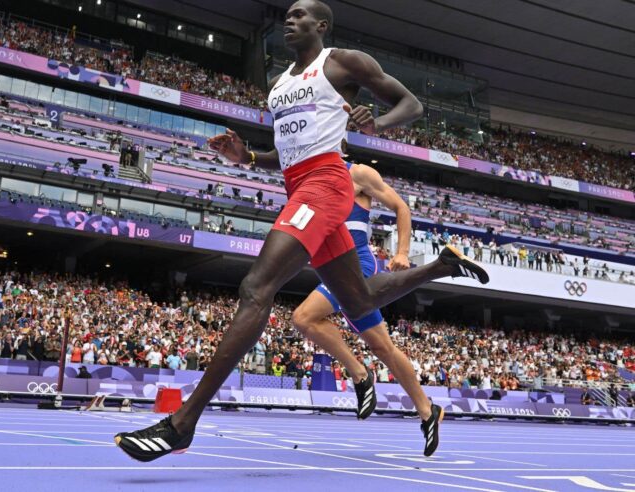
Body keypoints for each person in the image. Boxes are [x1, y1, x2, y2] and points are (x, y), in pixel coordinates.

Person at [114, 0, 488, 462]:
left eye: (298, 15)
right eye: (286, 16)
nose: (288, 21)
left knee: (257, 286)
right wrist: (246, 157)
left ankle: (183, 423)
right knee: (361, 301)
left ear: (321, 25)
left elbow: (412, 103)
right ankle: (443, 266)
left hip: (326, 186)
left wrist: (377, 123)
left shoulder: (342, 62)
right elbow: (285, 153)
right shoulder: (278, 86)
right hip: (301, 186)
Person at [291, 156, 443, 456]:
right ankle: (428, 411)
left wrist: (401, 252)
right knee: (383, 348)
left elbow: (401, 207)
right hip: (331, 269)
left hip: (356, 265)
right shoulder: (310, 182)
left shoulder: (358, 173)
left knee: (303, 317)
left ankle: (360, 375)